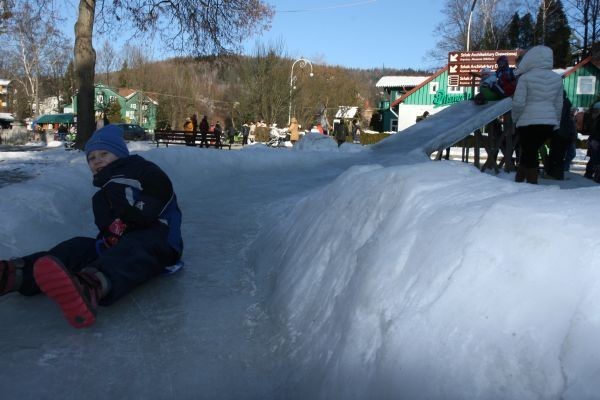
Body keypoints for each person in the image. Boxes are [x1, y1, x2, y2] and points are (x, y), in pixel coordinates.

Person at [0, 124, 183, 328]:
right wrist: (108, 236)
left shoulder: (143, 172)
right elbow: (106, 229)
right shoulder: (101, 197)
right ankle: (16, 274)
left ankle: (92, 284)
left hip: (159, 241)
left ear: (120, 154)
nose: (97, 160)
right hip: (117, 245)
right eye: (91, 158)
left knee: (135, 246)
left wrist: (135, 213)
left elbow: (158, 191)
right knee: (76, 246)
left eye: (104, 153)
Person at [511, 45, 563, 184]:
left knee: (529, 154)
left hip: (527, 122)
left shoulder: (525, 78)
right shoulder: (557, 79)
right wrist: (556, 123)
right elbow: (558, 105)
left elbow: (518, 103)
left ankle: (531, 188)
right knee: (529, 152)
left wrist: (515, 118)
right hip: (548, 123)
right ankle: (518, 183)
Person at [545, 91, 576, 180]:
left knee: (557, 154)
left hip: (561, 132)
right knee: (558, 154)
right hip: (563, 132)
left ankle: (556, 175)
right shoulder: (566, 103)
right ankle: (556, 174)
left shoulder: (563, 104)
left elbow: (559, 118)